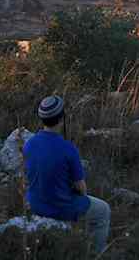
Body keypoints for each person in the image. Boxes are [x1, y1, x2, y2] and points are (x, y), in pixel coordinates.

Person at [23, 95, 111, 255]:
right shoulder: (68, 149)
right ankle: (96, 254)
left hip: (35, 203)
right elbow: (82, 189)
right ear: (62, 119)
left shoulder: (29, 144)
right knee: (103, 210)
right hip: (58, 207)